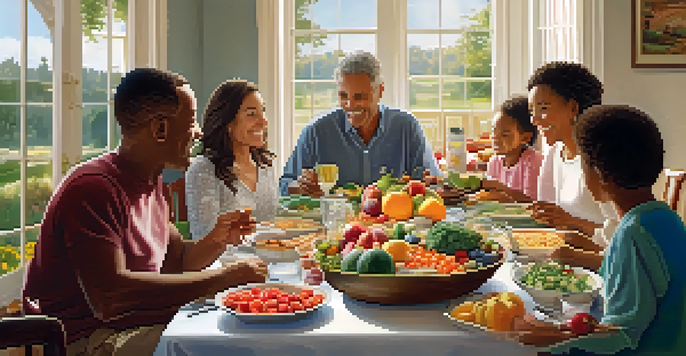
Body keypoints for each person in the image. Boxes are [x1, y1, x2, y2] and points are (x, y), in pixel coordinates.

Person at [21, 68, 268, 356]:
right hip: (85, 342)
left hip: (131, 328)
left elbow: (177, 262)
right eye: (190, 122)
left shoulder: (154, 184)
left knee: (244, 329)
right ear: (160, 129)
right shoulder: (93, 188)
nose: (198, 132)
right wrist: (223, 279)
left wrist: (218, 239)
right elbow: (109, 298)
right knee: (231, 343)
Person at [515, 105, 686, 356]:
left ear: (599, 174)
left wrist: (556, 345)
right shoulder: (667, 219)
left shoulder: (632, 234)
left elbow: (621, 338)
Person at [279, 50, 440, 196]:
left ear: (380, 91)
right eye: (343, 96)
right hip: (333, 225)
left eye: (359, 97)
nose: (350, 105)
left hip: (394, 223)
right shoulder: (317, 131)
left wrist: (427, 184)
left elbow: (433, 182)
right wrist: (300, 186)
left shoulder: (407, 127)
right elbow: (284, 186)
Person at [185, 80, 278, 240]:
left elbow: (270, 219)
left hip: (270, 259)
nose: (264, 121)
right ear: (227, 122)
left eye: (263, 111)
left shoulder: (265, 165)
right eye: (251, 114)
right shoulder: (203, 170)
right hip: (226, 263)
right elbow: (202, 236)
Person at [483, 95, 544, 202]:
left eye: (505, 134)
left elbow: (532, 201)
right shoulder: (494, 162)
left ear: (525, 137)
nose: (495, 138)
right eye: (494, 131)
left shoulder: (533, 161)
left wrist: (502, 189)